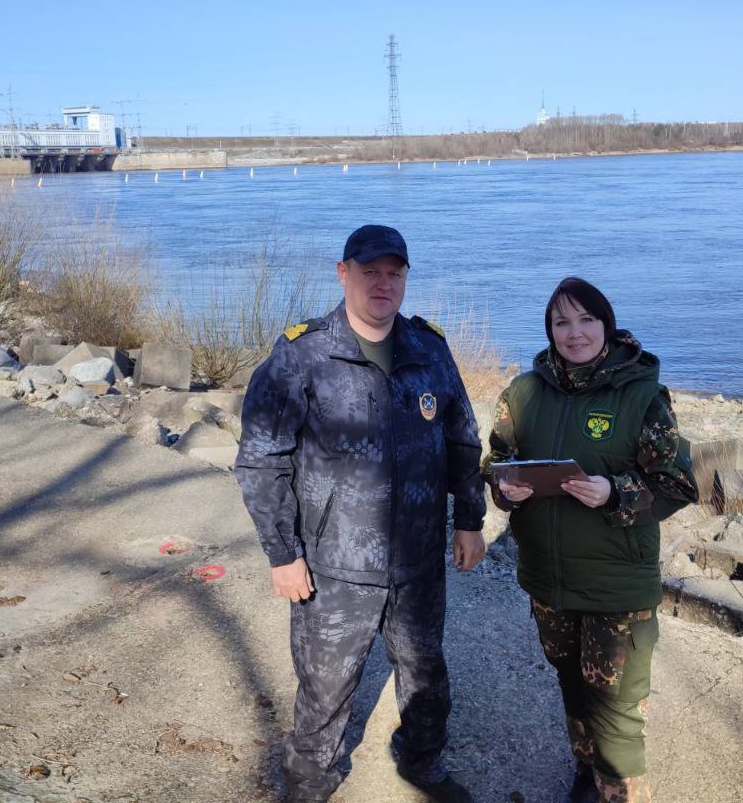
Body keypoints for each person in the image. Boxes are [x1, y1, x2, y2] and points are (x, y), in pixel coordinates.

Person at [235, 224, 486, 803]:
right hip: (333, 568)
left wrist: (470, 520)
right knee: (324, 693)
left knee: (427, 678)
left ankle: (423, 765)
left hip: (419, 561)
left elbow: (462, 441)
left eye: (394, 273)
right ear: (343, 273)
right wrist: (283, 555)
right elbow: (260, 460)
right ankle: (308, 785)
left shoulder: (430, 349)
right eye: (370, 271)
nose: (383, 283)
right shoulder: (302, 354)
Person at [483, 277, 698, 803]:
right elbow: (495, 464)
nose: (574, 333)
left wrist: (614, 492)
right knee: (574, 688)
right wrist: (506, 490)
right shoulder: (524, 392)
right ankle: (588, 778)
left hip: (616, 584)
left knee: (618, 709)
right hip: (549, 579)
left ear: (607, 325)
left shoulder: (643, 395)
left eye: (585, 320)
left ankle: (621, 791)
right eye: (561, 322)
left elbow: (678, 485)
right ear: (549, 330)